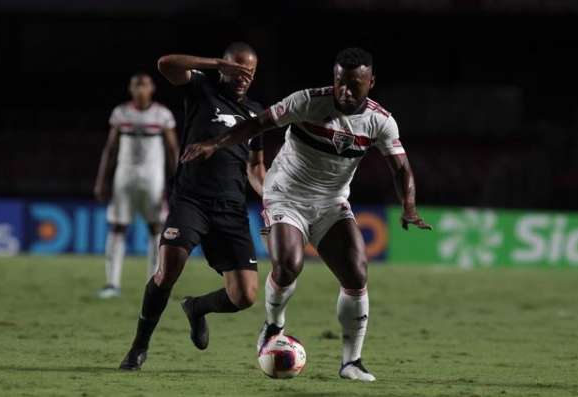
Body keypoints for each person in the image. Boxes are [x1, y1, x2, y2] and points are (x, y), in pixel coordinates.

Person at [183, 47, 432, 382]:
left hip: (331, 203)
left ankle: (351, 362)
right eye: (340, 82)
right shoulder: (306, 102)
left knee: (357, 274)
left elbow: (401, 169)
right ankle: (273, 325)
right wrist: (215, 144)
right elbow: (256, 124)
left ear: (371, 82)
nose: (345, 90)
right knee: (288, 265)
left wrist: (409, 207)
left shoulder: (380, 121)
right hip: (285, 195)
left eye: (354, 85)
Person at [119, 42, 266, 370]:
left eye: (250, 71)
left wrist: (269, 199)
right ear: (226, 66)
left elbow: (256, 167)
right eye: (238, 68)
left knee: (245, 296)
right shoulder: (202, 89)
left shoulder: (256, 112)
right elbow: (165, 63)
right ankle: (139, 346)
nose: (244, 76)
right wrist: (215, 64)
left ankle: (197, 308)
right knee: (168, 266)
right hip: (192, 199)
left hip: (231, 208)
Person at [94, 73, 179, 299]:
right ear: (131, 89)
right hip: (124, 178)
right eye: (136, 85)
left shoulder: (162, 115)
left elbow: (173, 150)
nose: (140, 89)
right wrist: (102, 180)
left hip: (153, 179)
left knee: (155, 228)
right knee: (117, 227)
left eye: (144, 85)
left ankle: (154, 283)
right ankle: (112, 283)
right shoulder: (121, 113)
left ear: (152, 89)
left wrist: (179, 179)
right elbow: (110, 148)